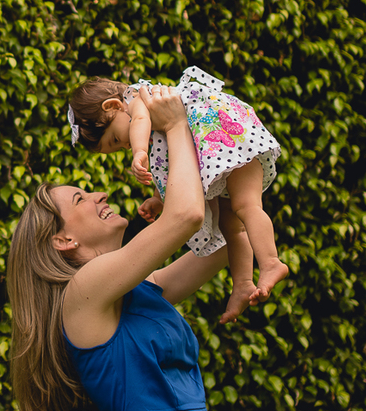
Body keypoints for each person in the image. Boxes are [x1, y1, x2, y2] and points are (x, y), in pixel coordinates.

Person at [8, 84, 247, 411]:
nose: (99, 194)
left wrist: (223, 153)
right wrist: (174, 125)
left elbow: (227, 241)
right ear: (62, 240)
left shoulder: (143, 290)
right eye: (81, 198)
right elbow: (187, 215)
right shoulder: (81, 293)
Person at [67, 66, 287, 323]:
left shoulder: (138, 99)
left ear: (114, 105)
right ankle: (243, 283)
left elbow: (139, 122)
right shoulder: (158, 118)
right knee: (232, 226)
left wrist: (139, 152)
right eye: (116, 148)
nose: (123, 145)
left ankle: (271, 261)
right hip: (217, 146)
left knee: (246, 206)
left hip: (225, 135)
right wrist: (160, 200)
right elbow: (176, 162)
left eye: (115, 139)